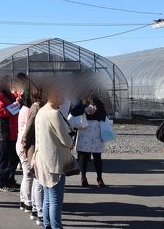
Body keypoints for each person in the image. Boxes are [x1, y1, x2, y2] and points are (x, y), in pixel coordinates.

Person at [33, 88, 74, 229]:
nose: (64, 96)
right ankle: (56, 227)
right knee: (55, 200)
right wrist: (72, 140)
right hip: (54, 162)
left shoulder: (41, 111)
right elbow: (66, 141)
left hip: (42, 160)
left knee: (48, 199)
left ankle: (47, 226)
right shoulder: (54, 113)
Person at [70, 95, 108, 187]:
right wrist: (85, 110)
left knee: (97, 156)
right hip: (84, 130)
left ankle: (99, 177)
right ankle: (83, 177)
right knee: (83, 155)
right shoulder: (80, 101)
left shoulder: (99, 103)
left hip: (96, 132)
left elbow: (103, 116)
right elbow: (73, 112)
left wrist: (96, 111)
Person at [0, 82, 21, 192]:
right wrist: (17, 105)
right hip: (3, 132)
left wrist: (20, 96)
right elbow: (2, 111)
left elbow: (16, 98)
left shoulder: (7, 94)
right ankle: (2, 183)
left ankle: (10, 180)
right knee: (5, 159)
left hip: (12, 131)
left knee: (13, 157)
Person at [21, 87, 45, 224]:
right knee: (38, 179)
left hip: (35, 147)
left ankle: (36, 209)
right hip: (34, 147)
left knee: (37, 179)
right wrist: (24, 145)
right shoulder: (36, 108)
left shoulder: (38, 107)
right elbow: (28, 129)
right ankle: (38, 211)